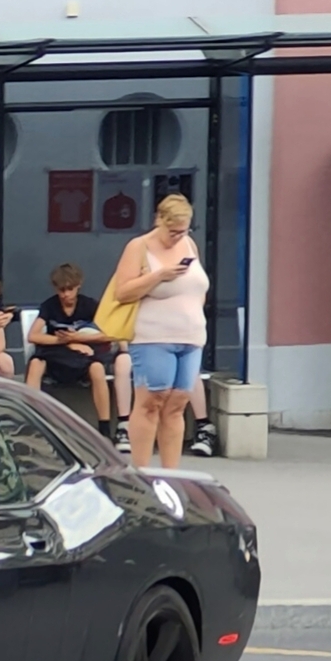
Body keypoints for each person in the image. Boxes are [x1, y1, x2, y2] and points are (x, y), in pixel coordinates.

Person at [110, 193, 209, 469]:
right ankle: (142, 470)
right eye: (173, 231)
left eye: (183, 230)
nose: (178, 236)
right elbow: (122, 291)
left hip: (191, 336)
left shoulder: (189, 244)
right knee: (152, 400)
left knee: (177, 404)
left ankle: (171, 473)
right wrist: (158, 276)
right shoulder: (139, 246)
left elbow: (198, 288)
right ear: (159, 222)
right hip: (154, 336)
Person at [23, 262, 131, 441]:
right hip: (56, 355)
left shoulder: (89, 305)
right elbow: (33, 336)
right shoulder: (49, 306)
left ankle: (104, 427)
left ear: (78, 285)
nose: (66, 295)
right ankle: (30, 420)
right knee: (35, 363)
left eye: (70, 289)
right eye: (61, 290)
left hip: (83, 355)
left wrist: (77, 339)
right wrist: (65, 342)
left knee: (97, 369)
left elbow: (109, 334)